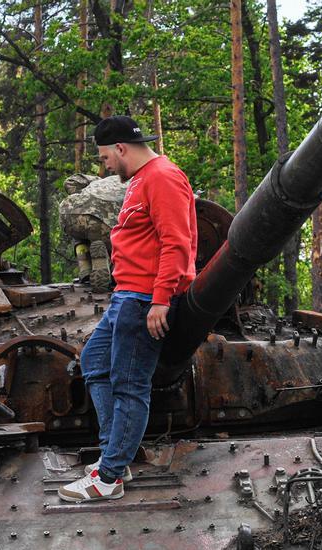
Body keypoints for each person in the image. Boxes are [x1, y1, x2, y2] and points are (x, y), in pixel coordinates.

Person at [60, 115, 198, 502]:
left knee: (129, 385)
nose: (104, 165)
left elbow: (177, 243)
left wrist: (160, 300)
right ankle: (113, 457)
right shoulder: (139, 180)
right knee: (94, 363)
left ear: (121, 148)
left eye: (105, 157)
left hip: (144, 298)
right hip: (127, 294)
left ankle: (109, 478)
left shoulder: (163, 177)